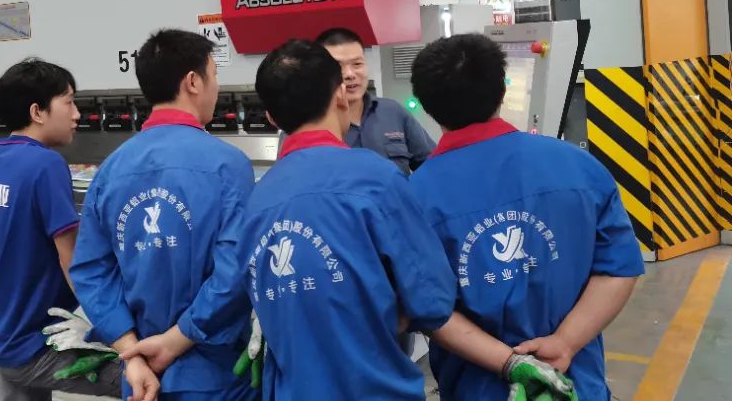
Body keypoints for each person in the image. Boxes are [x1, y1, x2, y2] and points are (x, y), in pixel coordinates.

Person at [240, 39, 576, 401]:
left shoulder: (256, 199)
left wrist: (281, 313)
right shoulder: (376, 179)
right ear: (339, 95)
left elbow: (250, 284)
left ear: (271, 118)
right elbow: (431, 301)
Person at [408, 34, 645, 401]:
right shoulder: (580, 167)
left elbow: (429, 309)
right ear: (502, 90)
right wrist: (565, 342)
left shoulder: (415, 197)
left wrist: (511, 363)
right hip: (574, 387)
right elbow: (618, 268)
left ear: (426, 105)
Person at [71, 29, 257, 401]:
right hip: (213, 376)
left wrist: (132, 353)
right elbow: (235, 272)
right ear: (193, 82)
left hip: (141, 377)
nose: (216, 87)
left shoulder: (111, 170)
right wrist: (175, 341)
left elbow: (91, 271)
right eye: (214, 75)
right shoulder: (228, 165)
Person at [0, 59, 125, 401]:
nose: (77, 114)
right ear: (37, 112)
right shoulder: (45, 164)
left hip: (1, 330)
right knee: (141, 380)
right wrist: (114, 331)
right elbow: (73, 262)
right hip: (33, 342)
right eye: (68, 102)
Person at [312, 27, 436, 175]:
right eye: (337, 67)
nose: (349, 74)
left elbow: (433, 167)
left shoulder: (393, 112)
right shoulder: (310, 125)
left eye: (357, 64)